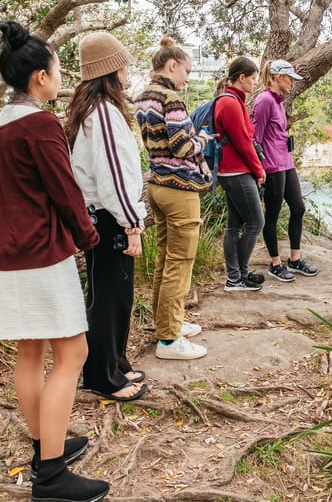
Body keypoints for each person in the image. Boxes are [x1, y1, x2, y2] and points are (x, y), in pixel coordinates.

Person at [0, 21, 109, 502]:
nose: (60, 78)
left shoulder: (2, 122)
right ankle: (53, 477)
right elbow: (65, 191)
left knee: (31, 352)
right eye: (57, 71)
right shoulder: (40, 124)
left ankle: (45, 448)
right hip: (42, 252)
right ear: (40, 76)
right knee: (73, 354)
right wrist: (90, 236)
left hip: (10, 251)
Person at [64, 32, 148, 401]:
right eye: (125, 65)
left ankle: (115, 363)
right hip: (110, 217)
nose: (129, 73)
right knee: (110, 297)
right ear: (111, 71)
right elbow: (114, 175)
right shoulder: (104, 115)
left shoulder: (92, 112)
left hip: (100, 215)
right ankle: (103, 377)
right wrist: (132, 223)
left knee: (110, 294)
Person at [134, 38, 211, 361]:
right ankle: (169, 339)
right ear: (172, 65)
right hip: (180, 190)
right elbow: (181, 146)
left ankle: (168, 323)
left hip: (156, 185)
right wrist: (202, 140)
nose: (187, 78)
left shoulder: (141, 98)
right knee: (180, 263)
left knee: (165, 260)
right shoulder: (172, 99)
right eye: (187, 71)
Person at [252, 59, 319, 282]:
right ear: (278, 76)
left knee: (298, 208)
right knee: (272, 214)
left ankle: (294, 259)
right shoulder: (264, 101)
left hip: (286, 162)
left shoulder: (279, 102)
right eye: (290, 78)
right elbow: (255, 137)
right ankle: (275, 264)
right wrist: (259, 170)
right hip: (271, 165)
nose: (292, 83)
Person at [215, 56, 266, 291]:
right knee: (256, 222)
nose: (255, 83)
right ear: (242, 77)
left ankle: (234, 278)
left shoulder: (234, 100)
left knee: (235, 226)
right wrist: (259, 170)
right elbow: (243, 142)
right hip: (236, 171)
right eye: (253, 78)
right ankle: (240, 275)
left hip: (231, 171)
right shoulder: (230, 103)